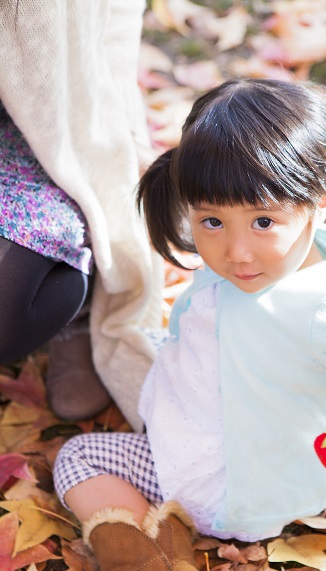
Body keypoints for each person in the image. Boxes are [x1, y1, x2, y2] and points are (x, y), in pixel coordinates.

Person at [41, 78, 326, 571]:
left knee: (80, 459)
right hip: (238, 459)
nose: (236, 252)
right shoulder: (316, 265)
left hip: (221, 485)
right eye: (212, 222)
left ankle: (157, 570)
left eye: (262, 222)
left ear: (325, 197)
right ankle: (163, 556)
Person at [0, 0, 162, 426]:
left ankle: (78, 307)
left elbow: (116, 18)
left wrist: (122, 130)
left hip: (41, 123)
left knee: (7, 311)